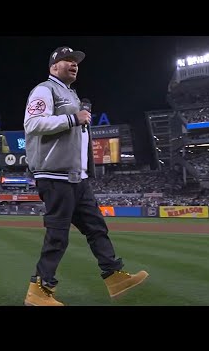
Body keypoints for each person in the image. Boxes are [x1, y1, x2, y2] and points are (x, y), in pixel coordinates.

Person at [22, 46, 149, 306]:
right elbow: (32, 124)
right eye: (67, 60)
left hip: (77, 178)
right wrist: (72, 118)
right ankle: (39, 291)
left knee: (96, 228)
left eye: (76, 61)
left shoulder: (71, 94)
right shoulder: (45, 90)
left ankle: (115, 277)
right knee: (58, 235)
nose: (73, 64)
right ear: (53, 67)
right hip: (54, 175)